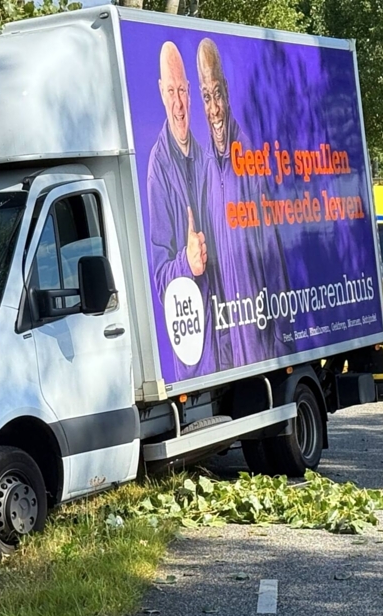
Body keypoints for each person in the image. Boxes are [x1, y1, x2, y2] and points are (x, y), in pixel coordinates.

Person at [196, 38, 293, 365]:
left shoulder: (248, 160)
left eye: (217, 94)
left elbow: (271, 254)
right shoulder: (206, 168)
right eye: (206, 97)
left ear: (227, 91)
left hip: (262, 342)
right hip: (231, 347)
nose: (214, 109)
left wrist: (283, 340)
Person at [146, 41, 217, 378]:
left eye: (182, 91)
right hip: (194, 351)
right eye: (170, 91)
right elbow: (159, 278)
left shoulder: (206, 160)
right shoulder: (157, 169)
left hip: (227, 334)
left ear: (190, 92)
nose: (178, 104)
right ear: (162, 92)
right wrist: (186, 264)